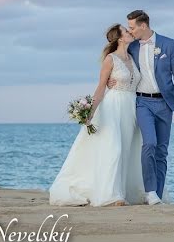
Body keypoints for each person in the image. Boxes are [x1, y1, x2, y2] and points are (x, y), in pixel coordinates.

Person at [49, 23, 164, 206]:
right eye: (126, 31)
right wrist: (90, 113)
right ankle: (113, 195)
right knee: (115, 148)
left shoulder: (132, 56)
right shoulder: (110, 60)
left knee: (129, 149)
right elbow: (101, 88)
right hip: (114, 107)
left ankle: (127, 191)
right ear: (120, 38)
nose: (130, 32)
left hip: (131, 109)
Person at [107, 9, 174, 205]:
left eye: (133, 27)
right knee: (149, 143)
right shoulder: (132, 46)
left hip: (165, 103)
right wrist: (112, 80)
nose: (130, 31)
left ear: (144, 25)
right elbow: (116, 60)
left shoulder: (169, 44)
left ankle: (157, 195)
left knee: (162, 150)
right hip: (142, 102)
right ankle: (149, 191)